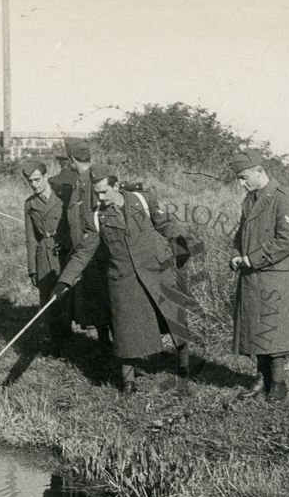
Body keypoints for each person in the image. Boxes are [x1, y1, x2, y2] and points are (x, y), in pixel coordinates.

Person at [51, 165, 193, 396]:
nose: (101, 197)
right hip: (123, 279)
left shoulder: (143, 200)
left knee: (175, 320)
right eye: (97, 193)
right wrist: (64, 281)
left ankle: (184, 368)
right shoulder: (96, 217)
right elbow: (84, 252)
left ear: (116, 186)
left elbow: (166, 224)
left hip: (156, 271)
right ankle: (128, 383)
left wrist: (181, 249)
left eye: (105, 192)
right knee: (126, 331)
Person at [229, 149, 289, 401]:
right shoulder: (250, 200)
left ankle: (278, 383)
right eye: (239, 179)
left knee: (274, 332)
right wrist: (236, 253)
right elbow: (241, 234)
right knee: (256, 328)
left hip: (276, 275)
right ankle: (261, 379)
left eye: (244, 177)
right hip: (253, 276)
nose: (242, 184)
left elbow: (285, 241)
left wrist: (251, 259)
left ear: (259, 171)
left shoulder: (282, 198)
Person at [58, 138, 112, 350]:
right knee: (94, 301)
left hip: (96, 254)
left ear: (72, 159)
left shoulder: (92, 181)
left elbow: (98, 219)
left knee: (103, 300)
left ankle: (113, 349)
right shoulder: (80, 181)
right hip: (86, 253)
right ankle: (104, 344)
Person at [22, 159, 71, 351]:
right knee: (47, 299)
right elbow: (30, 238)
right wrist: (32, 269)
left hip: (64, 252)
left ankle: (71, 335)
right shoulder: (29, 204)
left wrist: (66, 242)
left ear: (45, 176)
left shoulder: (63, 195)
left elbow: (73, 223)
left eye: (37, 180)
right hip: (43, 254)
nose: (34, 185)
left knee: (69, 296)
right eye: (30, 182)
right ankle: (57, 341)